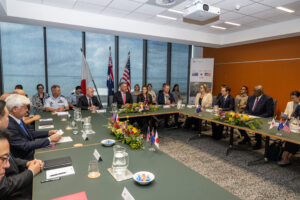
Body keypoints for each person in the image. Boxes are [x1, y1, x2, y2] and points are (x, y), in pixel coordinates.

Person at [0, 101, 43, 200]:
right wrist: (31, 171)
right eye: (7, 116)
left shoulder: (2, 137)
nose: (9, 119)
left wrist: (27, 163)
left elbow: (10, 159)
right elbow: (3, 186)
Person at [6, 94, 61, 160]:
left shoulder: (17, 118)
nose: (27, 110)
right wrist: (50, 139)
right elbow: (25, 145)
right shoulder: (9, 125)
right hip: (25, 159)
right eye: (25, 107)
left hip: (31, 151)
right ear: (15, 109)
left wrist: (48, 133)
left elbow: (29, 133)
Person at [238, 85, 274, 150]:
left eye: (255, 91)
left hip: (260, 118)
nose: (253, 92)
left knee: (256, 124)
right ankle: (246, 138)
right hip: (250, 116)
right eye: (254, 90)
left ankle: (258, 142)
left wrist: (257, 117)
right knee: (238, 122)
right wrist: (247, 114)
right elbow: (247, 108)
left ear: (260, 91)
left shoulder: (268, 99)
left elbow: (269, 113)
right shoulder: (251, 97)